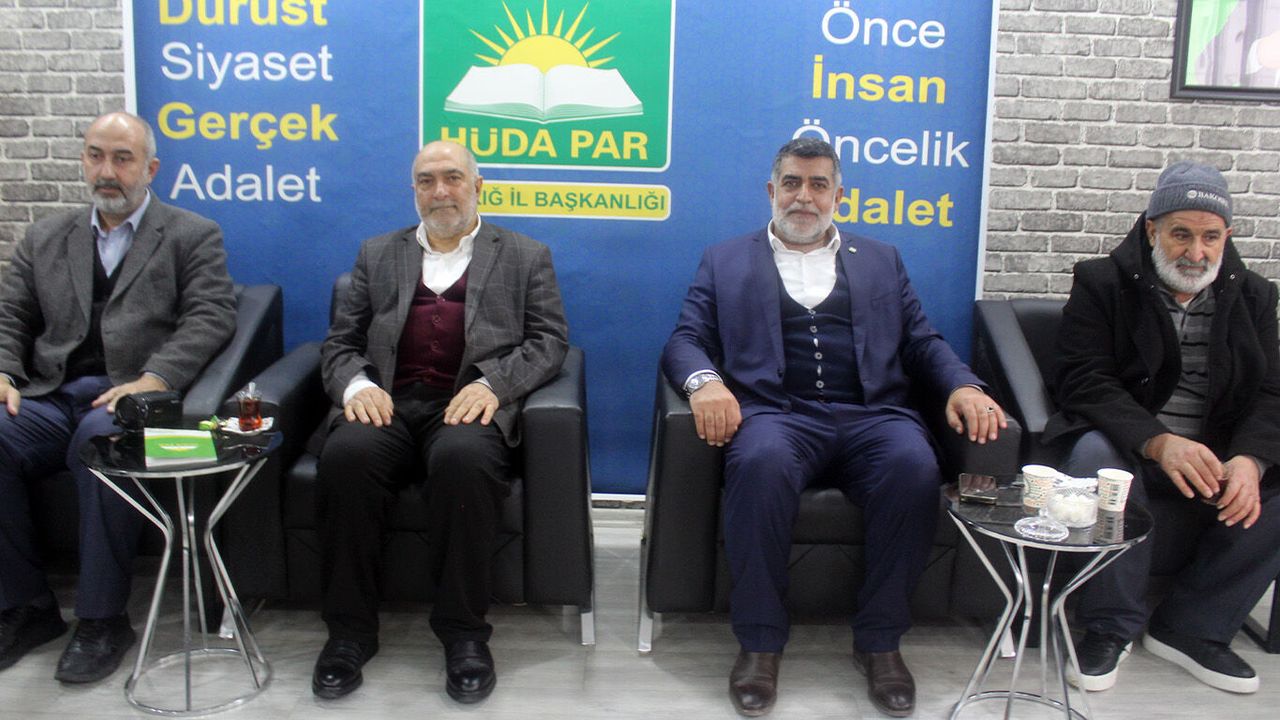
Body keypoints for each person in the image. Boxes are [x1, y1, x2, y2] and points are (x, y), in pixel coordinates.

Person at [661, 137, 1005, 718]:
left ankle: (880, 643)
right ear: (771, 191)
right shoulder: (725, 260)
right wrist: (705, 383)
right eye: (792, 183)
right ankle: (760, 643)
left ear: (838, 197)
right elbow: (686, 338)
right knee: (760, 463)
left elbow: (922, 341)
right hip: (776, 415)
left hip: (872, 415)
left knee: (913, 467)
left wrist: (963, 385)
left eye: (818, 185)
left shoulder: (882, 259)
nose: (804, 196)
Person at [310, 140, 568, 704]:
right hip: (388, 401)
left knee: (463, 461)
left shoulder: (525, 255)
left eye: (453, 178)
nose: (440, 191)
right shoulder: (378, 253)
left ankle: (463, 635)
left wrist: (493, 384)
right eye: (426, 181)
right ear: (414, 191)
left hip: (467, 405)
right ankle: (349, 634)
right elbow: (340, 343)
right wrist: (357, 385)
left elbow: (549, 342)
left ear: (478, 186)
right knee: (346, 458)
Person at [0, 112, 236, 683]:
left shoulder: (191, 233)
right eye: (96, 155)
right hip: (49, 394)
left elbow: (211, 316)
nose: (107, 171)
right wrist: (3, 370)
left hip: (131, 397)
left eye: (123, 158)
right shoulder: (45, 237)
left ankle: (102, 621)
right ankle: (26, 606)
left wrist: (155, 377)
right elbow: (11, 316)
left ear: (150, 169)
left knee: (99, 445)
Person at [1046, 160, 1280, 694]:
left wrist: (1251, 460)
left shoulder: (1256, 297)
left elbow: (1272, 392)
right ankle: (1108, 628)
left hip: (1214, 455)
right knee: (1096, 461)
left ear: (1226, 236)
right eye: (1181, 235)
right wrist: (1158, 441)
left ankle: (1192, 628)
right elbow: (1083, 380)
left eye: (1210, 237)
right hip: (1129, 442)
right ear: (1152, 230)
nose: (1196, 253)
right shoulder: (1101, 282)